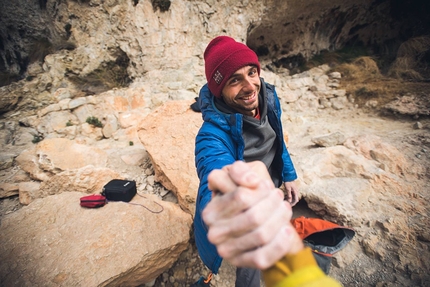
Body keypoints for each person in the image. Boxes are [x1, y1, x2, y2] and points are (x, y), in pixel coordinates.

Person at [194, 35, 299, 286]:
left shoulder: (269, 100)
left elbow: (277, 139)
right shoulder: (211, 136)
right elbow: (214, 176)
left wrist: (289, 174)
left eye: (252, 72)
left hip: (269, 186)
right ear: (220, 90)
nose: (251, 86)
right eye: (235, 80)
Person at [203, 160, 342, 287]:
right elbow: (214, 163)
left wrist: (288, 175)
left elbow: (280, 145)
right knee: (251, 253)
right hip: (247, 202)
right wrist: (231, 188)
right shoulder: (213, 133)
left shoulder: (275, 130)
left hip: (266, 188)